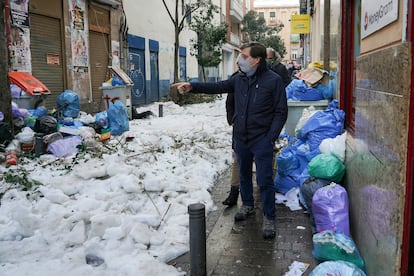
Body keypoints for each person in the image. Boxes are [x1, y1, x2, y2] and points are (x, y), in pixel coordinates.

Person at [171, 42, 288, 239]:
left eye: (244, 56)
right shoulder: (239, 79)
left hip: (262, 139)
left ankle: (269, 216)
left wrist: (270, 138)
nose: (239, 59)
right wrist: (192, 86)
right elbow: (217, 86)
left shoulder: (273, 80)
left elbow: (281, 112)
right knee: (243, 175)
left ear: (256, 60)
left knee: (264, 179)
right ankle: (248, 205)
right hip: (241, 138)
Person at [221, 93, 240, 207]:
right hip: (240, 128)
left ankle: (260, 191)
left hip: (261, 129)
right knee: (237, 160)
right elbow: (230, 102)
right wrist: (232, 119)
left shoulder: (269, 78)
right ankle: (234, 191)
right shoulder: (237, 79)